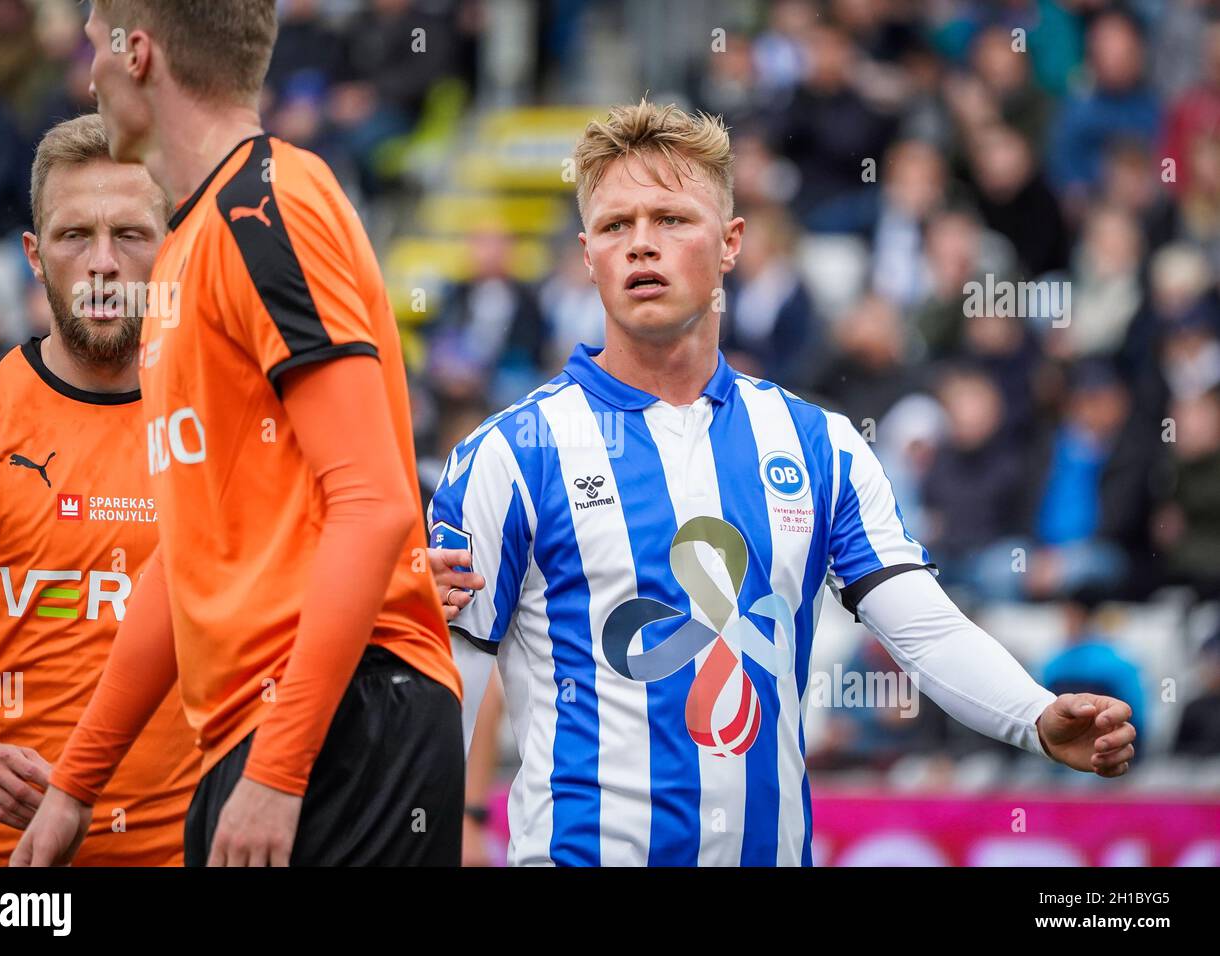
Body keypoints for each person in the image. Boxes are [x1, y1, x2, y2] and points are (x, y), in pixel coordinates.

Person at [428, 101, 1137, 867]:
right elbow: (446, 698)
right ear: (587, 253)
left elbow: (924, 628)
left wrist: (1034, 716)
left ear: (732, 242)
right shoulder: (509, 455)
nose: (640, 245)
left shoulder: (819, 445)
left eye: (671, 219)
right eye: (614, 226)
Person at [13, 0, 461, 868]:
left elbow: (373, 503)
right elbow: (185, 559)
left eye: (93, 37)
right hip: (266, 736)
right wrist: (74, 787)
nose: (85, 61)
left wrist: (282, 769)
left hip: (341, 723)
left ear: (136, 53)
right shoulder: (189, 244)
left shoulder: (269, 207)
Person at [0, 114, 197, 865]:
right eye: (76, 236)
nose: (103, 263)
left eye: (131, 235)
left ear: (172, 251)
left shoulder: (228, 427)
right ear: (35, 257)